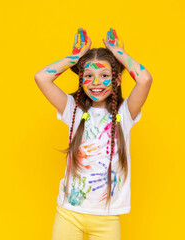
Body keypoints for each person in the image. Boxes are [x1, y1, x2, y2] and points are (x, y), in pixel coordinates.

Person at [35, 27, 153, 240]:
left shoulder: (124, 113)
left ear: (116, 81)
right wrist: (75, 58)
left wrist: (118, 54)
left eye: (104, 75)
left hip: (106, 219)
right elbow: (41, 77)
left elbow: (145, 79)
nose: (96, 82)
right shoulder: (73, 109)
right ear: (81, 80)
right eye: (89, 75)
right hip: (68, 214)